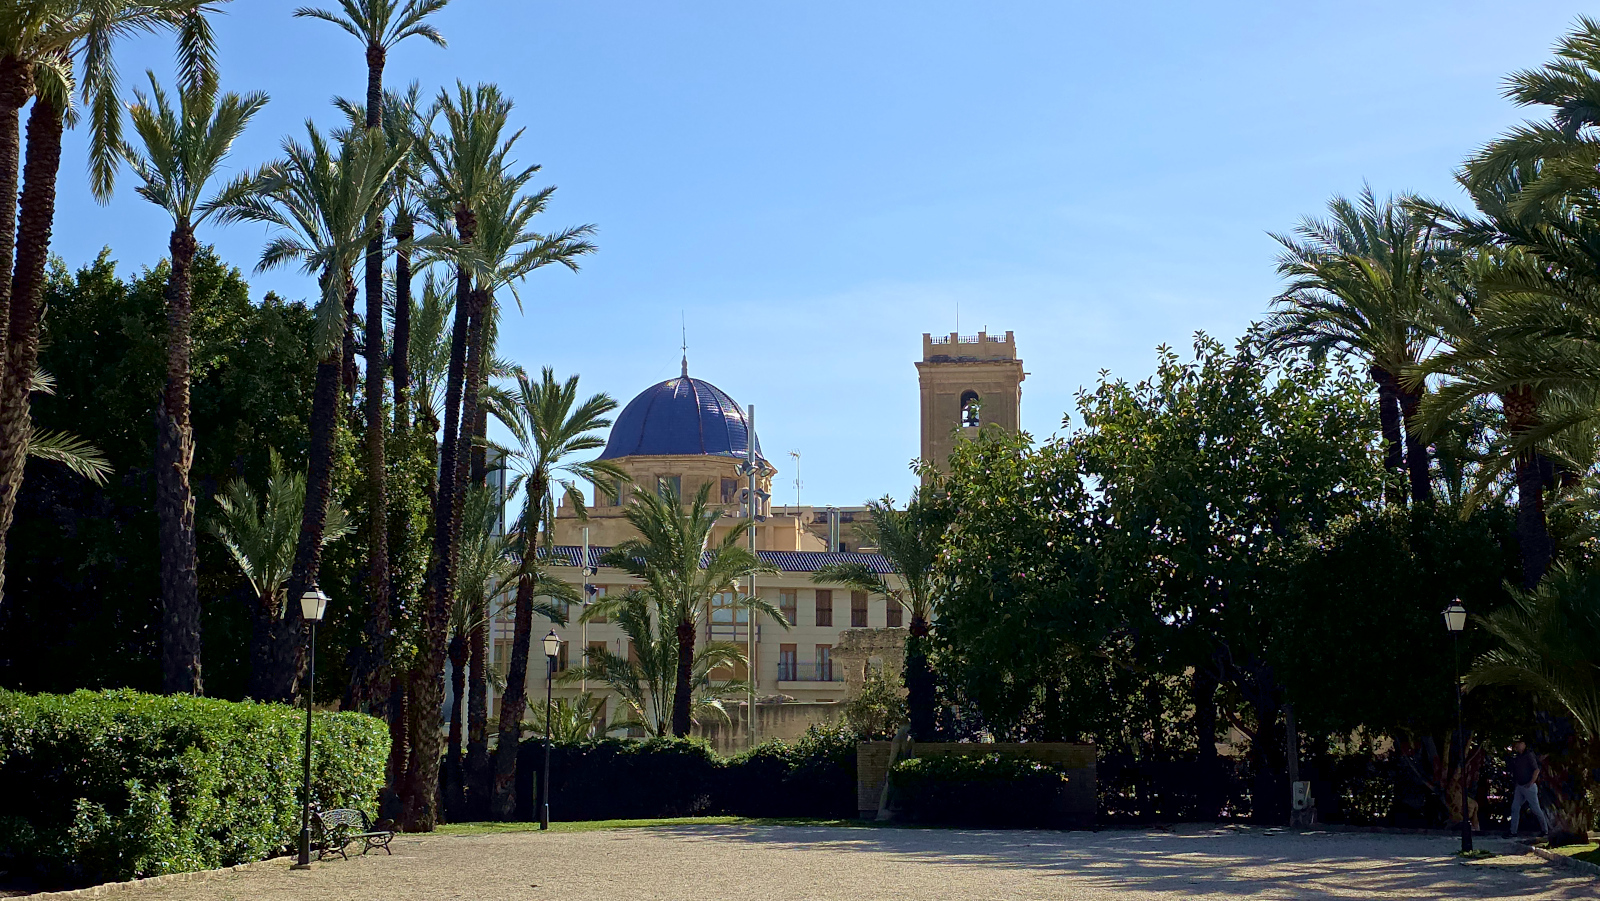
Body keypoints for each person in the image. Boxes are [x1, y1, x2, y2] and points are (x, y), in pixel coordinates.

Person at [1507, 740, 1549, 837]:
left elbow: (1536, 769)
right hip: (1520, 786)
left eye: (1519, 744)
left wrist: (1531, 782)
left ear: (1524, 744)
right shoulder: (1517, 757)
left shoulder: (1529, 755)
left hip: (1528, 786)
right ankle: (1513, 831)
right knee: (1515, 807)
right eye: (1516, 744)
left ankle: (1545, 830)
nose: (1517, 746)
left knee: (1535, 808)